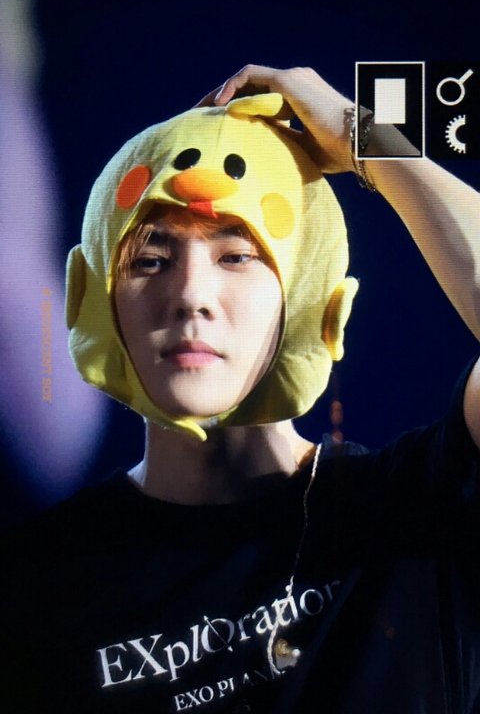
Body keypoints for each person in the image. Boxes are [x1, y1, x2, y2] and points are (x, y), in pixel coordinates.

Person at [1, 64, 480, 713]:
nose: (191, 295)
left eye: (236, 256)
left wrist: (358, 130)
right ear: (96, 302)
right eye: (150, 260)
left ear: (308, 294)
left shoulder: (421, 509)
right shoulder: (32, 585)